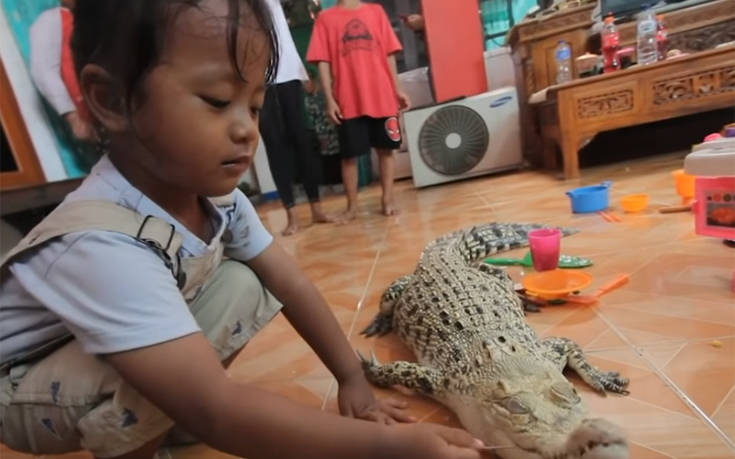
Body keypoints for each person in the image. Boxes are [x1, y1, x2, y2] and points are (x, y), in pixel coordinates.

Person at [0, 1, 485, 458]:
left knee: (246, 282)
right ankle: (143, 441)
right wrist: (393, 448)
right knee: (173, 385)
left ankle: (170, 411)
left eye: (253, 106)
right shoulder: (101, 243)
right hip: (18, 389)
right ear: (111, 100)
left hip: (76, 351)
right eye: (216, 101)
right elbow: (218, 411)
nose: (246, 130)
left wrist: (351, 377)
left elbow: (289, 282)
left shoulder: (214, 196)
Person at [306, 0, 411, 220]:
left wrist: (397, 89)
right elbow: (322, 61)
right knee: (349, 156)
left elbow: (389, 53)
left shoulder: (376, 12)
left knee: (386, 149)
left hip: (382, 95)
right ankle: (351, 207)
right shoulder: (325, 19)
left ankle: (388, 199)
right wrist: (329, 99)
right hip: (347, 99)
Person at [259, 0, 333, 236]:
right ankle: (291, 214)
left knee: (300, 137)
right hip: (257, 76)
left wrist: (302, 72)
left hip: (287, 71)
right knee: (273, 141)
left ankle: (316, 208)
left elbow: (286, 32)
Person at [28, 0, 95, 142]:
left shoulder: (100, 19)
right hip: (91, 116)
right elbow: (44, 70)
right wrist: (73, 117)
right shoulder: (51, 20)